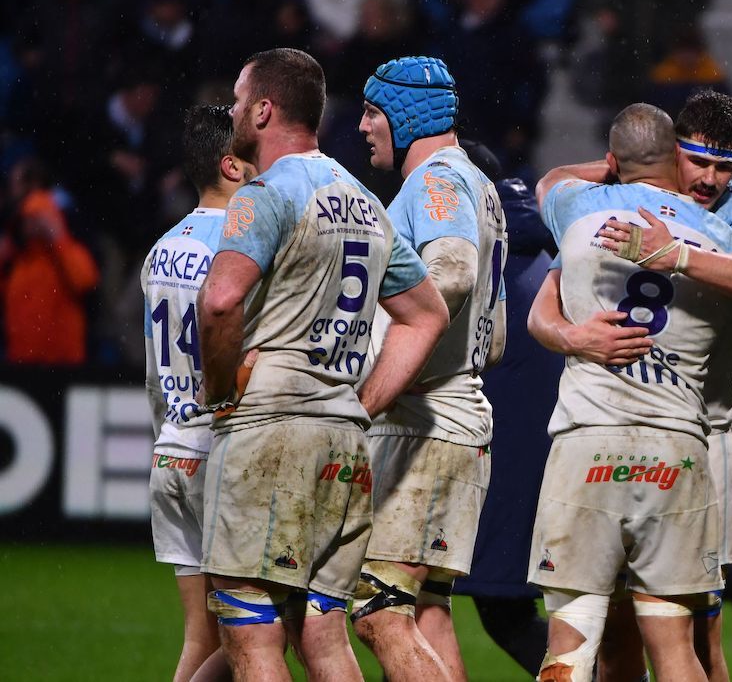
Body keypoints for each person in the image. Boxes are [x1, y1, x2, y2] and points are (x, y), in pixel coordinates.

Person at [195, 48, 449, 681]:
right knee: (324, 634)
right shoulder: (364, 200)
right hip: (343, 439)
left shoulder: (265, 194)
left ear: (262, 109)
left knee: (251, 631)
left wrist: (218, 392)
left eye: (238, 100)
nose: (232, 111)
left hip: (271, 429)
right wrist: (362, 404)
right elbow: (427, 314)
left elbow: (220, 301)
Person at [530, 90, 732, 681]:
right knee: (624, 636)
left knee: (699, 637)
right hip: (656, 435)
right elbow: (543, 312)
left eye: (724, 167)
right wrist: (577, 338)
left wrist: (677, 256)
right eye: (696, 161)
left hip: (706, 430)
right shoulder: (615, 208)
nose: (708, 179)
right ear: (671, 151)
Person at [352, 55, 508, 682]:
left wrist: (392, 365)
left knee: (377, 609)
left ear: (407, 116)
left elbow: (454, 271)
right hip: (456, 415)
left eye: (373, 111)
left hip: (427, 420)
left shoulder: (436, 180)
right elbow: (494, 340)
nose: (362, 126)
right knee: (427, 611)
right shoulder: (478, 183)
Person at [140, 104, 255, 681]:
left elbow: (153, 376)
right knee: (259, 632)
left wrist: (168, 432)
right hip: (220, 449)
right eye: (255, 155)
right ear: (232, 165)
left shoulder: (162, 248)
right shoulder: (243, 249)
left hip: (173, 448)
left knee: (201, 635)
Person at [451, 140, 559, 676]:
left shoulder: (473, 255)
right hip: (545, 449)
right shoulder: (539, 248)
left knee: (404, 600)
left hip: (500, 455)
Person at [0, 156, 99, 365]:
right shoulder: (16, 253)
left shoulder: (67, 238)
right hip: (21, 361)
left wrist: (58, 237)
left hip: (62, 363)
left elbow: (85, 280)